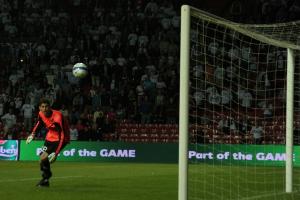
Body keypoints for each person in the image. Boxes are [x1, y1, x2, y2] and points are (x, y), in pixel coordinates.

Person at [26, 98, 70, 187]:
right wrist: (33, 134)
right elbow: (39, 123)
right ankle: (46, 180)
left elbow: (62, 134)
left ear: (50, 107)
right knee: (41, 159)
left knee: (43, 158)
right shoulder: (41, 114)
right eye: (42, 107)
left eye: (46, 106)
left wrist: (56, 153)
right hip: (50, 136)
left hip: (61, 138)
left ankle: (46, 177)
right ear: (39, 108)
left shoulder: (57, 116)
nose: (45, 108)